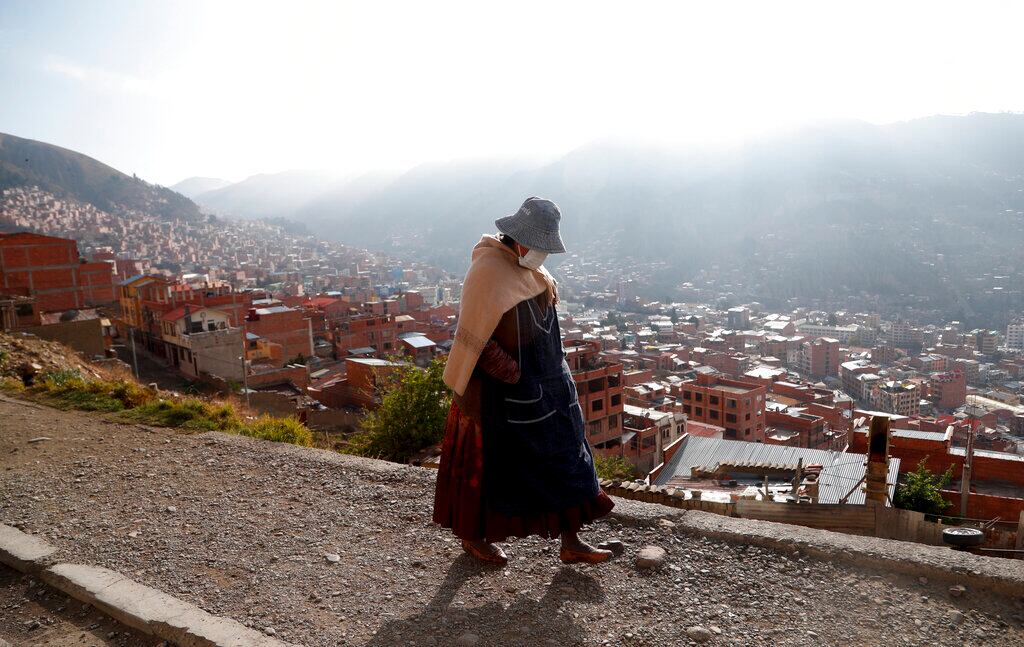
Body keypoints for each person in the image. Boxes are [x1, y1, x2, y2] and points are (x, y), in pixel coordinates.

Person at [433, 197, 614, 566]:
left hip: (549, 387)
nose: (542, 256)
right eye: (538, 246)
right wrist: (515, 376)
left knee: (566, 457)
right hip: (498, 395)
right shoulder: (488, 271)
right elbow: (475, 340)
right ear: (518, 239)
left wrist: (556, 377)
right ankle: (473, 535)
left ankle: (571, 540)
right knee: (492, 468)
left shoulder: (535, 274)